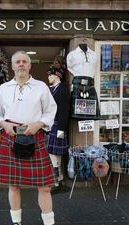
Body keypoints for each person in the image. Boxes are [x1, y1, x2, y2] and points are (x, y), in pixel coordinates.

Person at [0, 51, 57, 225]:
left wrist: (40, 124)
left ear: (29, 65)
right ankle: (16, 223)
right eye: (17, 62)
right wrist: (4, 124)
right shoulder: (3, 89)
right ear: (12, 66)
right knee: (13, 185)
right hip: (11, 137)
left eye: (24, 61)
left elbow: (51, 110)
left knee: (44, 186)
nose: (21, 64)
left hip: (35, 137)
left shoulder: (41, 86)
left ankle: (49, 223)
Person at [46, 56, 71, 194]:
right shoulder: (51, 89)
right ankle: (58, 180)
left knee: (55, 154)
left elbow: (64, 111)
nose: (48, 77)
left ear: (57, 75)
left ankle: (58, 182)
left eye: (50, 74)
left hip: (58, 126)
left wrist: (61, 130)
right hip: (51, 126)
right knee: (53, 154)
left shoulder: (62, 90)